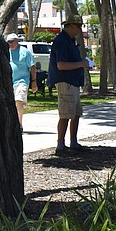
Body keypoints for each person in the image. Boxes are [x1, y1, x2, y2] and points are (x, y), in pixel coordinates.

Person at [48, 15, 92, 156]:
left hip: (73, 83)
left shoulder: (70, 41)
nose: (80, 29)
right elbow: (61, 65)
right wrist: (81, 64)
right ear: (70, 26)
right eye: (78, 26)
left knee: (75, 114)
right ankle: (60, 146)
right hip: (65, 82)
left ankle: (73, 143)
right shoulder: (61, 41)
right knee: (65, 114)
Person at [6, 33, 37, 126]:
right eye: (8, 42)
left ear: (17, 41)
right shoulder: (7, 52)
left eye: (12, 42)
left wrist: (34, 82)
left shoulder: (25, 52)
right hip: (9, 82)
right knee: (11, 104)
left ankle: (19, 124)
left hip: (22, 81)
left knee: (19, 101)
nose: (10, 44)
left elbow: (32, 67)